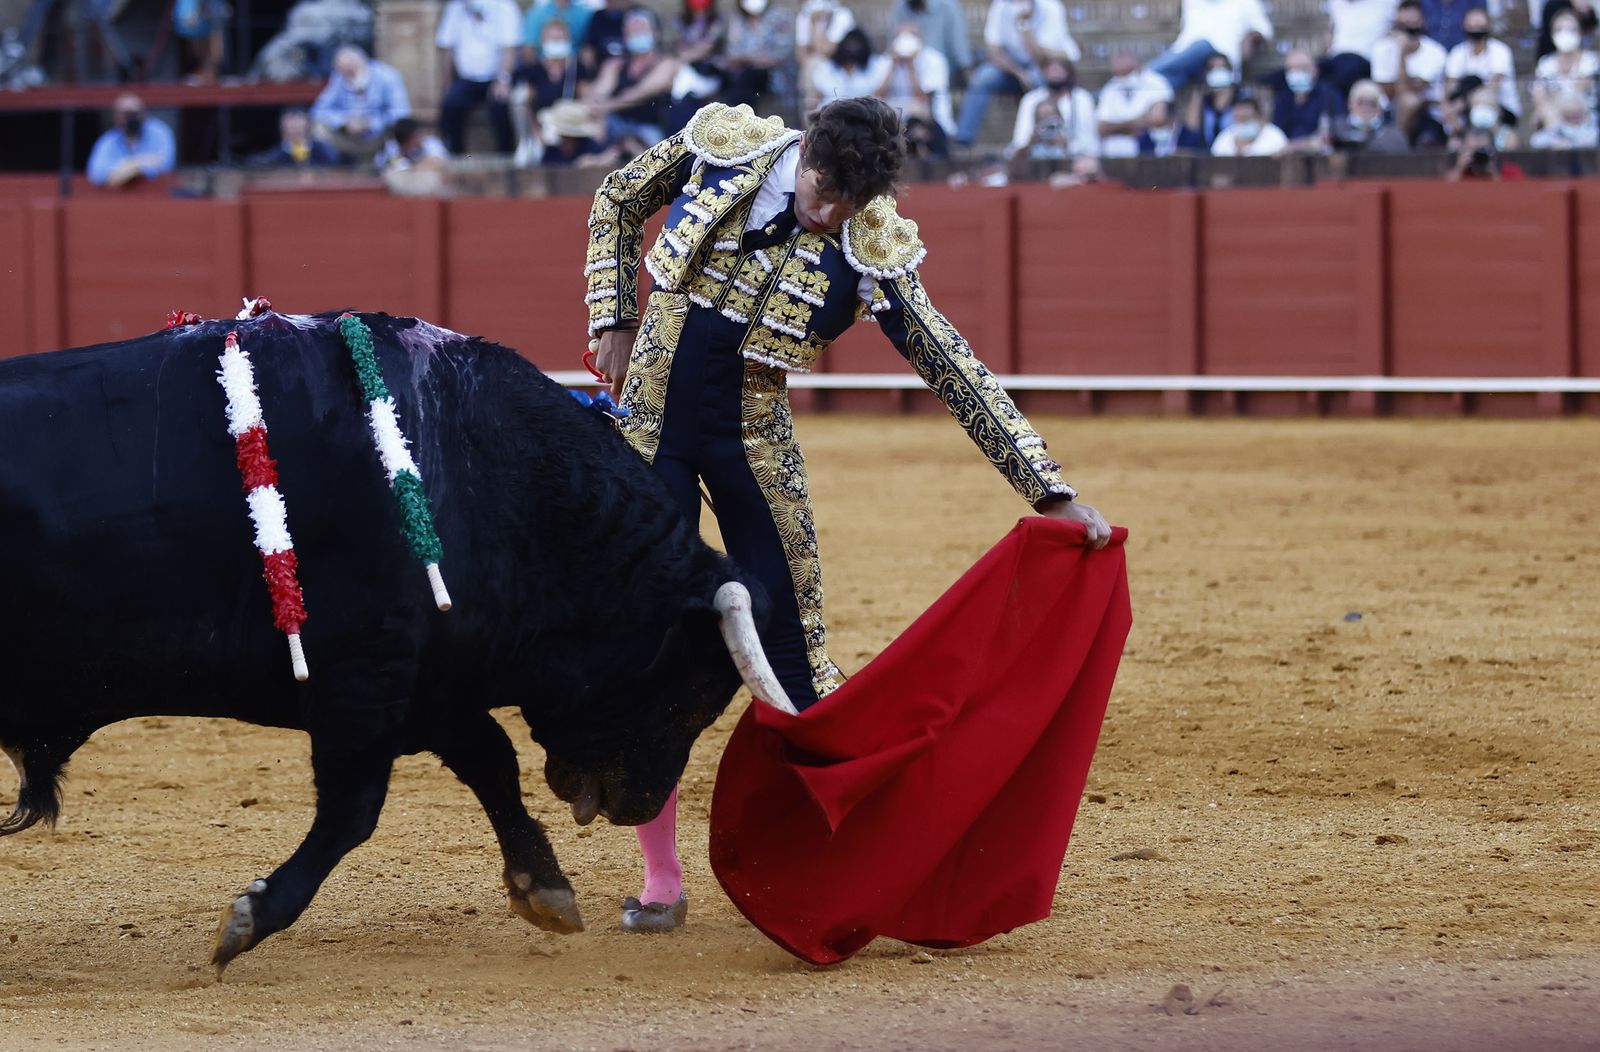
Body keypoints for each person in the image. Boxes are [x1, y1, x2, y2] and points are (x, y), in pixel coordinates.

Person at [583, 97, 1110, 932]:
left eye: (846, 204)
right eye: (822, 188)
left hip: (751, 433)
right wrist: (611, 315)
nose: (825, 213)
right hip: (646, 412)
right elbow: (617, 198)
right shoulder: (728, 146)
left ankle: (829, 862)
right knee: (643, 641)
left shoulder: (873, 244)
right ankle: (661, 878)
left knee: (794, 647)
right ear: (808, 151)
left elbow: (950, 363)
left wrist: (1047, 488)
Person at [955, 0, 1080, 148]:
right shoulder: (1000, 6)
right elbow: (993, 52)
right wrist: (1019, 74)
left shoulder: (1051, 7)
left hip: (1040, 69)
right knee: (982, 79)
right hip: (1009, 69)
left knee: (1043, 85)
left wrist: (1024, 26)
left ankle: (1048, 142)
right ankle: (964, 138)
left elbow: (1044, 59)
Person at [437, 0, 522, 155]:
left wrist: (503, 80)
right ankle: (455, 156)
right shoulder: (454, 9)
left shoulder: (505, 7)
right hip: (466, 79)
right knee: (450, 106)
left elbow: (509, 49)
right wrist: (447, 85)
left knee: (501, 106)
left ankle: (505, 156)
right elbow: (447, 51)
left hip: (496, 78)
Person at [586, 8, 679, 146]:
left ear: (655, 32)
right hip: (617, 124)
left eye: (641, 30)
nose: (636, 34)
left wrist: (607, 105)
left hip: (650, 128)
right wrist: (594, 105)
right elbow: (599, 92)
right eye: (632, 31)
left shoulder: (667, 63)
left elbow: (642, 92)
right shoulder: (615, 65)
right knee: (594, 125)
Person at [311, 46, 413, 163]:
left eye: (350, 70)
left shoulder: (388, 76)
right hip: (350, 137)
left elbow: (401, 113)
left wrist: (371, 123)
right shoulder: (339, 78)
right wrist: (345, 121)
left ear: (362, 63)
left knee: (399, 128)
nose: (348, 75)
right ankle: (334, 165)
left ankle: (390, 163)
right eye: (343, 71)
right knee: (319, 128)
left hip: (380, 137)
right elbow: (319, 110)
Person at [1148, 0, 1273, 92]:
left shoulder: (1246, 2)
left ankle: (1145, 75)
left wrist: (1250, 38)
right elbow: (1186, 32)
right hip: (1187, 58)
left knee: (1202, 45)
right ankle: (1146, 83)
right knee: (1161, 86)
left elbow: (1265, 31)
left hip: (1221, 57)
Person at [1371, 0, 1448, 145]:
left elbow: (1410, 92)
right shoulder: (1381, 49)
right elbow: (1390, 94)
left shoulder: (1436, 52)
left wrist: (1402, 55)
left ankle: (1397, 146)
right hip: (1387, 113)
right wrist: (1401, 53)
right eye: (1402, 25)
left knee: (1409, 102)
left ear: (1422, 23)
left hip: (1425, 114)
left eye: (1413, 25)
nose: (1408, 30)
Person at [873, 22, 956, 157]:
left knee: (917, 124)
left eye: (911, 35)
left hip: (930, 120)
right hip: (893, 121)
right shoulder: (884, 61)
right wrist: (893, 68)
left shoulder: (935, 60)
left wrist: (911, 68)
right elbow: (877, 97)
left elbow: (925, 100)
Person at [1007, 56, 1098, 161]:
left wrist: (1066, 144)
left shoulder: (1082, 98)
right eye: (1050, 69)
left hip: (1075, 159)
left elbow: (1090, 141)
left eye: (1059, 69)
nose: (1054, 73)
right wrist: (1032, 141)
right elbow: (1019, 140)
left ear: (1068, 72)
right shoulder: (1030, 100)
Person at [1443, 7, 1519, 121]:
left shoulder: (1501, 51)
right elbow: (1450, 87)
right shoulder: (1457, 53)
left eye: (1480, 27)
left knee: (1484, 100)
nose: (1476, 31)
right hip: (1463, 108)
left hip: (1500, 106)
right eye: (1472, 27)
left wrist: (1462, 104)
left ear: (1488, 27)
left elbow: (1493, 87)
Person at [86, 93, 176, 188]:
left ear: (144, 114)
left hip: (156, 197)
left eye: (135, 113)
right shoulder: (108, 140)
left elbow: (165, 164)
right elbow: (96, 174)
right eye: (126, 114)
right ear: (116, 117)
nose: (131, 118)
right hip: (118, 200)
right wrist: (139, 164)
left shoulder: (159, 132)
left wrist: (126, 169)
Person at [1096, 52, 1174, 159]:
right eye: (1121, 73)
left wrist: (1115, 127)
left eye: (1128, 71)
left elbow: (1157, 119)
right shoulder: (1110, 88)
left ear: (1139, 65)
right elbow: (1101, 128)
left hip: (1149, 151)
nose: (1125, 77)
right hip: (1113, 153)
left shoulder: (1157, 83)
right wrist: (1136, 123)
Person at [1532, 10, 1600, 128]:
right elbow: (1539, 94)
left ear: (1579, 32)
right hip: (1553, 117)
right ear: (1552, 34)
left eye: (1570, 29)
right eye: (1559, 29)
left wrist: (1552, 101)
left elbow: (1577, 92)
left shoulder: (1590, 60)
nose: (1565, 33)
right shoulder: (1545, 63)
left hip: (1585, 116)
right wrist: (1544, 108)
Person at [1269, 49, 1340, 152]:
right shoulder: (1282, 99)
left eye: (1302, 68)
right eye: (1291, 69)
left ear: (1315, 70)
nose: (1296, 73)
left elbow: (1333, 132)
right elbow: (1275, 134)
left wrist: (1298, 146)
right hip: (1284, 158)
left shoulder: (1329, 95)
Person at [1322, 0, 1399, 97]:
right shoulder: (1335, 3)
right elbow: (1330, 29)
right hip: (1336, 57)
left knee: (1346, 71)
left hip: (1367, 57)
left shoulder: (1387, 3)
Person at [721, 0, 790, 108]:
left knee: (749, 77)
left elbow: (780, 56)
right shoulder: (737, 20)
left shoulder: (779, 17)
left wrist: (748, 58)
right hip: (740, 73)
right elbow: (732, 54)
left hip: (770, 75)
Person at [795, 0, 857, 110]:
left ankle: (811, 110)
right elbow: (800, 55)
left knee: (814, 64)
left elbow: (825, 50)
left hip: (839, 68)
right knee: (812, 64)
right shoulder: (804, 16)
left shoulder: (841, 15)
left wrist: (815, 24)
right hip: (813, 71)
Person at [887, 0, 973, 77]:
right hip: (905, 74)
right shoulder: (900, 6)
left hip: (941, 74)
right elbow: (893, 47)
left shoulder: (948, 6)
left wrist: (967, 76)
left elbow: (960, 51)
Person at [1330, 78, 1411, 151]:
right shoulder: (1335, 130)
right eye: (1361, 102)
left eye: (1372, 103)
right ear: (1350, 104)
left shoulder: (1394, 137)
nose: (1366, 108)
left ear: (1380, 107)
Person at [251, 108, 342, 167]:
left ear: (308, 128)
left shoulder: (325, 152)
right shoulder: (274, 156)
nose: (296, 132)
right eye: (291, 128)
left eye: (299, 128)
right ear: (282, 130)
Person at [1183, 51, 1239, 147]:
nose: (1217, 72)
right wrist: (1198, 95)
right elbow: (1192, 127)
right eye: (1213, 69)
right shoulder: (1205, 100)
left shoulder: (1241, 97)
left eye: (1222, 68)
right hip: (1207, 155)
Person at [1209, 95, 1288, 155]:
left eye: (1246, 118)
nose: (1242, 123)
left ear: (1258, 116)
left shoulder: (1275, 137)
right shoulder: (1225, 137)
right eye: (1239, 119)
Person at [522, 0, 595, 64]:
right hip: (543, 68)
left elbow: (588, 50)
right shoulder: (536, 13)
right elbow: (529, 50)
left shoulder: (585, 14)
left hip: (573, 68)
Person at [173, 0, 227, 83]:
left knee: (212, 37)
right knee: (192, 32)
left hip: (207, 15)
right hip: (192, 14)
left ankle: (208, 71)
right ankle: (201, 70)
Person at [374, 117, 451, 172]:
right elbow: (385, 168)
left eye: (418, 134)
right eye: (414, 137)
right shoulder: (391, 148)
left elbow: (440, 162)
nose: (419, 137)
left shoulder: (432, 143)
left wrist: (415, 167)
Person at [1529, 89, 1600, 147]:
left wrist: (1569, 145)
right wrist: (1554, 142)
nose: (1573, 119)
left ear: (1583, 112)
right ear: (1562, 115)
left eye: (1576, 115)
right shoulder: (1556, 129)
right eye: (1569, 116)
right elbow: (1536, 141)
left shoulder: (1593, 129)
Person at [1136, 99, 1208, 155]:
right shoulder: (1144, 140)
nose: (1158, 131)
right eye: (1155, 126)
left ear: (1172, 120)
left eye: (1162, 125)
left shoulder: (1192, 138)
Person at [1418, 0, 1484, 51]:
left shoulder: (1473, 2)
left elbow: (1483, 25)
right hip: (1429, 53)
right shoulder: (1425, 2)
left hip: (1464, 53)